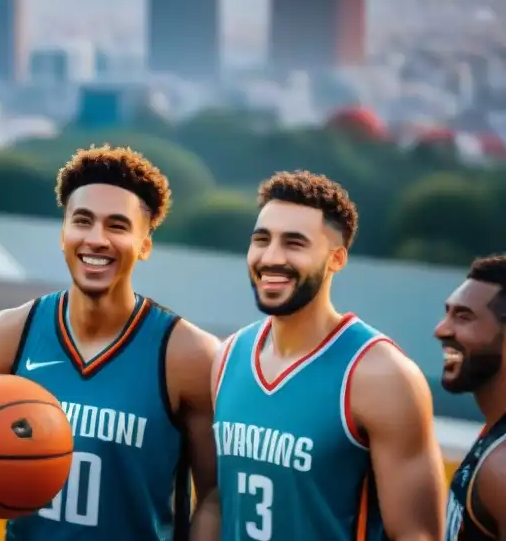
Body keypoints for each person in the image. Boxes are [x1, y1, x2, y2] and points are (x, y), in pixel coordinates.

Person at [0, 145, 221, 539]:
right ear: (63, 233)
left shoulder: (187, 355)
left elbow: (214, 497)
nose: (96, 239)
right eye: (82, 221)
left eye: (117, 226)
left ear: (145, 244)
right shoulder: (10, 334)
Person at [212, 170, 445, 540]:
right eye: (261, 240)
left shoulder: (380, 374)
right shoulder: (227, 358)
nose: (271, 257)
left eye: (294, 243)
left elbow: (419, 535)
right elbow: (216, 504)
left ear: (337, 258)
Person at [436, 254, 506, 539]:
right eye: (447, 312)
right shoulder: (493, 435)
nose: (441, 329)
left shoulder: (501, 469)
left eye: (463, 316)